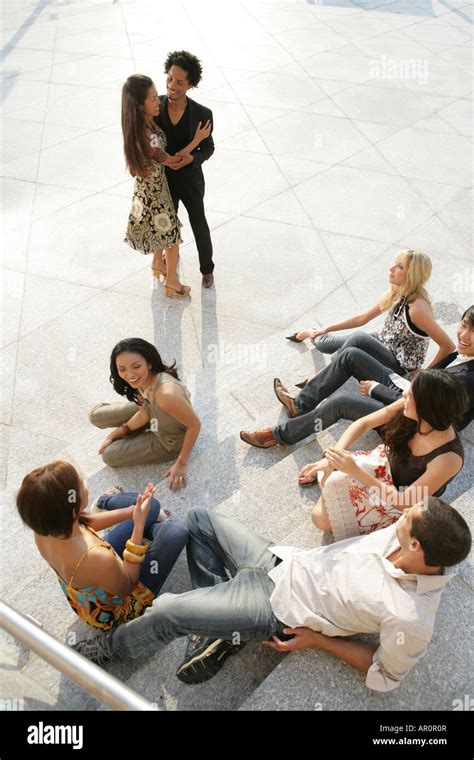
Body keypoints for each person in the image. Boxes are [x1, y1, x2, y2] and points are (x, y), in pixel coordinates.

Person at [72, 499, 471, 693]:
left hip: (276, 606)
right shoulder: (414, 543)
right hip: (280, 559)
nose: (401, 515)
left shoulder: (412, 617)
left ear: (417, 546)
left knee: (168, 610)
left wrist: (317, 640)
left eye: (407, 519)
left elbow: (385, 674)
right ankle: (220, 626)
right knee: (197, 519)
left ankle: (110, 648)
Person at [240, 250, 455, 449]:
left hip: (397, 368)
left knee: (353, 347)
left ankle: (302, 402)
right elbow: (362, 318)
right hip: (382, 345)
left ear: (412, 274)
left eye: (399, 266)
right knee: (338, 342)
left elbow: (448, 345)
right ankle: (311, 336)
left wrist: (425, 376)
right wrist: (327, 327)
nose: (391, 269)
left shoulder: (417, 308)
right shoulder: (399, 294)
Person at [297, 370, 468, 541]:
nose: (403, 394)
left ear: (427, 408)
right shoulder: (413, 407)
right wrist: (331, 460)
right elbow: (364, 423)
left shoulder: (449, 458)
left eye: (410, 395)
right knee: (329, 478)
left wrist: (355, 470)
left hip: (396, 497)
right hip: (382, 465)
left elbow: (405, 501)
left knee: (319, 518)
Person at [16, 462, 188, 631]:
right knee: (177, 531)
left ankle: (133, 517)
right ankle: (150, 528)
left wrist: (131, 512)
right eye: (80, 482)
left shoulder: (44, 532)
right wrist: (138, 526)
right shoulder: (97, 558)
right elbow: (127, 586)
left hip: (100, 571)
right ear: (73, 509)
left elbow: (84, 525)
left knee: (152, 507)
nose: (84, 482)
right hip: (121, 606)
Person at [122, 74, 210, 297]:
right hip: (156, 191)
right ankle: (172, 281)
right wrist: (197, 140)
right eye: (152, 99)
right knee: (171, 236)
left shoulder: (142, 124)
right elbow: (171, 160)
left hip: (149, 188)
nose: (157, 101)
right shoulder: (147, 136)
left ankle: (157, 264)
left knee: (164, 231)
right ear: (139, 105)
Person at [89, 338, 201, 490]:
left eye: (136, 366)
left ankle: (143, 429)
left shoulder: (166, 394)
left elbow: (195, 425)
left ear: (149, 363)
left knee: (109, 455)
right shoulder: (143, 381)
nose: (129, 375)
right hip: (153, 412)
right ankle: (141, 427)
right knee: (95, 415)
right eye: (122, 369)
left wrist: (181, 462)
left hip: (168, 440)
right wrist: (115, 434)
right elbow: (145, 412)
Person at [359, 305, 474, 431]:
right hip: (409, 392)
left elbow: (419, 409)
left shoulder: (466, 380)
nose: (464, 335)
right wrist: (422, 375)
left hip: (410, 425)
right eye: (463, 325)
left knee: (341, 402)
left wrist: (376, 389)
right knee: (352, 353)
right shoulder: (464, 353)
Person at [155, 51, 215, 288]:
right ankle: (167, 260)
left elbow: (208, 148)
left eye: (180, 82)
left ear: (191, 84)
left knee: (198, 222)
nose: (172, 85)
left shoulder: (202, 114)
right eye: (170, 79)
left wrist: (192, 157)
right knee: (165, 223)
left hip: (190, 180)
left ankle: (207, 269)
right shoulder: (155, 107)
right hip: (164, 180)